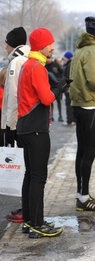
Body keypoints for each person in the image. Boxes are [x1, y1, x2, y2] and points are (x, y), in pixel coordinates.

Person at [18, 27, 70, 238]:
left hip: (25, 126)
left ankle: (29, 221)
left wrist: (55, 86)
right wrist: (60, 88)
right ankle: (37, 223)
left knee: (30, 175)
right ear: (42, 46)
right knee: (39, 177)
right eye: (50, 44)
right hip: (36, 128)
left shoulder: (26, 65)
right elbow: (47, 99)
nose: (53, 47)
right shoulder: (36, 67)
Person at [69, 16, 95, 212]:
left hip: (78, 104)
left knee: (82, 150)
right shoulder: (93, 51)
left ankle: (80, 194)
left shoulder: (80, 49)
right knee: (90, 150)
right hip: (89, 105)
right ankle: (83, 198)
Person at [3, 26, 30, 224]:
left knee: (25, 169)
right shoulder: (27, 57)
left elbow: (13, 97)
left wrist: (10, 127)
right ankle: (27, 207)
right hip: (28, 120)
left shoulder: (16, 61)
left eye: (5, 43)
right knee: (28, 168)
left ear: (11, 44)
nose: (4, 47)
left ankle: (26, 209)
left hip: (19, 122)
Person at [45, 56, 64, 122]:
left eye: (49, 58)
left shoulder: (56, 65)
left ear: (52, 58)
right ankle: (51, 116)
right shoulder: (44, 66)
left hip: (57, 86)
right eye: (47, 58)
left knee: (59, 102)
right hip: (49, 87)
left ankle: (60, 116)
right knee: (51, 103)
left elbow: (62, 73)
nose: (48, 59)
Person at [62, 51, 75, 126]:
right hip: (69, 87)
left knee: (69, 104)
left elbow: (68, 77)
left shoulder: (69, 65)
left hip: (69, 87)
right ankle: (71, 119)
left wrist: (66, 87)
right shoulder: (70, 64)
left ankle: (70, 120)